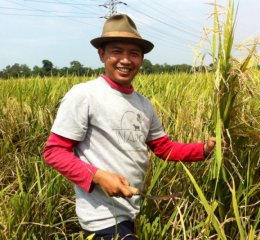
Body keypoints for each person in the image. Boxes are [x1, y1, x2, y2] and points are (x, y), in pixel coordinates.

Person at [43, 14, 215, 240]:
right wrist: (97, 175)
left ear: (141, 59)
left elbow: (164, 148)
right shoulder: (84, 95)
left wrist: (204, 149)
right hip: (101, 219)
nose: (125, 60)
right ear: (102, 54)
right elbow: (54, 152)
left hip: (129, 213)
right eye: (117, 51)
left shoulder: (144, 105)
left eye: (133, 53)